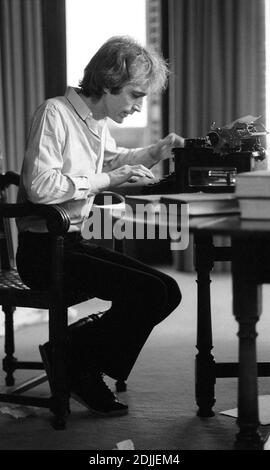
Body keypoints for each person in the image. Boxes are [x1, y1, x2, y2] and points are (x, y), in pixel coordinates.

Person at [16, 36, 183, 417]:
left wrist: (154, 152)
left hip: (71, 244)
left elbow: (113, 161)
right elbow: (41, 187)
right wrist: (108, 180)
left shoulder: (94, 122)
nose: (139, 105)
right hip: (43, 253)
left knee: (167, 290)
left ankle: (70, 353)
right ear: (108, 83)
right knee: (147, 292)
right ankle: (79, 367)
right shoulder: (54, 114)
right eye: (135, 94)